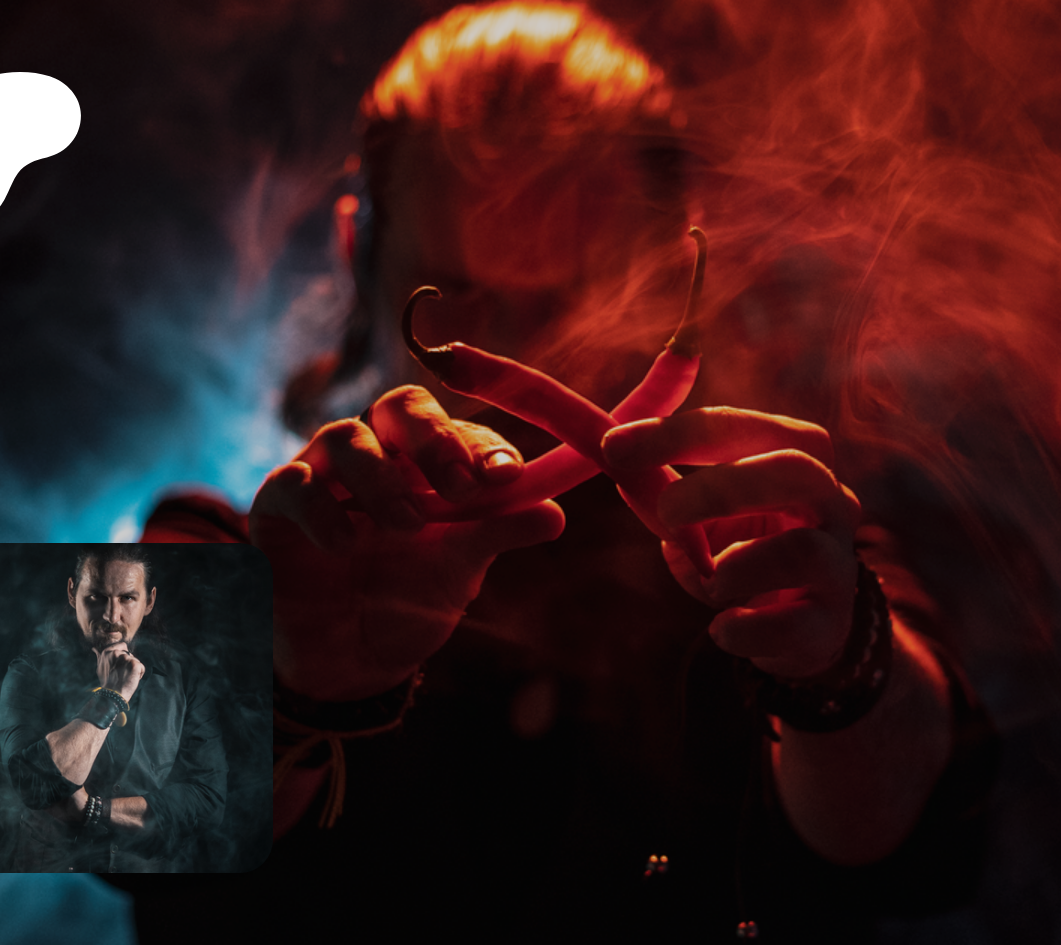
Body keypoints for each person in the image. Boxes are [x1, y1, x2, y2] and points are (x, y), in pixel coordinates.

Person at [143, 3, 993, 937]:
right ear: (356, 250)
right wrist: (283, 691)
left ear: (668, 272)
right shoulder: (222, 549)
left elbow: (937, 838)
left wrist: (842, 666)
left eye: (574, 300)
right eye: (456, 295)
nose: (519, 358)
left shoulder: (780, 554)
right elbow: (84, 812)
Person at [0, 546, 226, 872]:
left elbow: (208, 802)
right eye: (96, 597)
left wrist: (93, 810)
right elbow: (32, 786)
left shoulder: (185, 681)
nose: (111, 616)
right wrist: (113, 695)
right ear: (72, 592)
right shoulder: (28, 674)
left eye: (127, 598)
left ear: (149, 601)